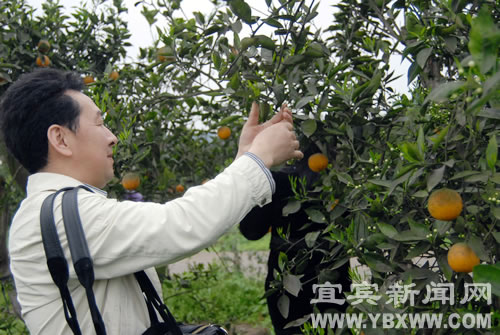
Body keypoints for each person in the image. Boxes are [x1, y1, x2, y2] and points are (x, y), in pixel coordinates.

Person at [0, 68, 303, 335]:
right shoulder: (60, 215)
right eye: (100, 123)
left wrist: (244, 159)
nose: (112, 137)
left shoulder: (59, 210)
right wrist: (257, 159)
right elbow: (180, 224)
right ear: (61, 139)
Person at [239, 147, 350, 334]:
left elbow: (251, 231)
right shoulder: (342, 184)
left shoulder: (276, 182)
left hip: (286, 276)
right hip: (333, 275)